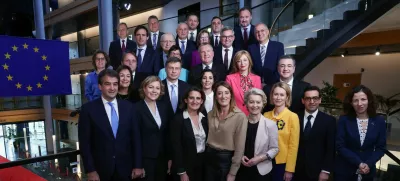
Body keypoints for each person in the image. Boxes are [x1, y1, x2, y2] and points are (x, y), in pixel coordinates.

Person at [78, 69, 143, 181]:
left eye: (115, 84)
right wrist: (90, 170)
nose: (112, 88)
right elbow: (85, 143)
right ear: (100, 86)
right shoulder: (88, 109)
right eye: (107, 84)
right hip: (100, 171)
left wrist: (138, 165)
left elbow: (136, 138)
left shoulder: (129, 107)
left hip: (126, 169)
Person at [335, 85, 386, 181]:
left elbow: (381, 148)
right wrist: (358, 163)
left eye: (363, 99)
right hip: (344, 171)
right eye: (355, 100)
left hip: (368, 172)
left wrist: (369, 164)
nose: (359, 103)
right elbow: (340, 146)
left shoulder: (379, 121)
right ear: (351, 103)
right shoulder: (344, 120)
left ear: (369, 100)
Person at [205, 81, 248, 181]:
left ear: (231, 95)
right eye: (219, 93)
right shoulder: (210, 114)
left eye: (226, 93)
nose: (223, 96)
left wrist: (233, 173)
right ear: (215, 96)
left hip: (226, 161)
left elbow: (240, 148)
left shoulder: (240, 116)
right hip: (209, 158)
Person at [294, 86, 336, 181]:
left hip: (317, 171)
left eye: (315, 98)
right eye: (308, 98)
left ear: (320, 100)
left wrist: (325, 171)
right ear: (303, 101)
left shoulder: (329, 121)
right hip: (295, 170)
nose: (312, 102)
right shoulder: (294, 117)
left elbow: (330, 148)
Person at [236, 88, 279, 181]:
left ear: (263, 104)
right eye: (251, 102)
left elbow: (275, 149)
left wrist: (259, 159)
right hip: (242, 169)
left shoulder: (270, 124)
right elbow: (236, 145)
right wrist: (240, 156)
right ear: (246, 104)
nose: (255, 105)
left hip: (262, 171)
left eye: (258, 102)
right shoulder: (240, 123)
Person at [263, 82, 300, 181]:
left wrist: (289, 169)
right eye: (276, 94)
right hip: (264, 161)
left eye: (282, 95)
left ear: (287, 97)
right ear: (271, 96)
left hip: (282, 164)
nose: (278, 97)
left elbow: (293, 146)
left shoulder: (293, 117)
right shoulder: (265, 115)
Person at [170, 87, 209, 181]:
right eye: (191, 98)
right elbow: (176, 147)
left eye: (198, 98)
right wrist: (182, 172)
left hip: (202, 165)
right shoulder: (178, 119)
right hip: (185, 166)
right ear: (186, 100)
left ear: (201, 101)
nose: (195, 101)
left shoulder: (204, 118)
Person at [136, 76, 170, 181]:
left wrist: (170, 158)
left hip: (162, 158)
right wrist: (138, 164)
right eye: (151, 87)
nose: (154, 91)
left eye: (157, 88)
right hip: (145, 160)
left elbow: (167, 135)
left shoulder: (164, 107)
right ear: (144, 88)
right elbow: (135, 138)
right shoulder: (136, 108)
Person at [226, 50, 262, 115]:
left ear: (249, 61)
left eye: (245, 60)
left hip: (252, 115)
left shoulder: (257, 78)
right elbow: (228, 99)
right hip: (235, 115)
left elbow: (259, 99)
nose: (242, 63)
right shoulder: (229, 78)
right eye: (239, 61)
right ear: (236, 64)